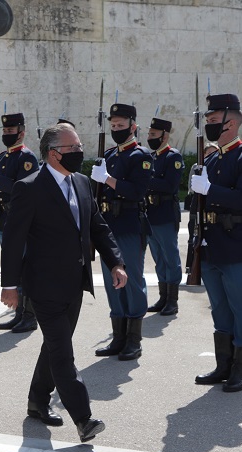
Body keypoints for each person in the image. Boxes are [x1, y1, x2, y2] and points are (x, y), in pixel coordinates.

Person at [1, 123, 126, 442]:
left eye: (79, 146)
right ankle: (83, 418)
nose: (80, 152)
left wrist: (115, 262)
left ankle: (37, 401)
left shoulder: (81, 182)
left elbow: (97, 226)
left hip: (75, 283)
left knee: (55, 344)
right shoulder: (29, 187)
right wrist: (10, 285)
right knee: (62, 351)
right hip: (43, 286)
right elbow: (13, 240)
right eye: (74, 148)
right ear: (54, 153)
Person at [189, 93, 242, 393]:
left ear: (231, 123)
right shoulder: (210, 158)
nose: (208, 125)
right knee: (219, 308)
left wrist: (210, 188)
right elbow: (197, 206)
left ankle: (241, 369)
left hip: (234, 243)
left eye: (212, 120)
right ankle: (223, 364)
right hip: (209, 244)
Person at [90, 103, 152, 361]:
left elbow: (137, 192)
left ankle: (133, 340)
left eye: (121, 125)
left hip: (128, 225)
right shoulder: (109, 155)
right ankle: (118, 337)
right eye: (113, 125)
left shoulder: (141, 156)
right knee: (111, 280)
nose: (116, 129)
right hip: (108, 226)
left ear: (133, 126)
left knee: (132, 281)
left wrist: (107, 179)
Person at [0, 112, 40, 333]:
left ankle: (30, 316)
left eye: (11, 130)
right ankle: (19, 313)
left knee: (25, 268)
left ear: (21, 133)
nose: (7, 134)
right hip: (5, 219)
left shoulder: (27, 158)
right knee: (13, 268)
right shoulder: (2, 157)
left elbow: (24, 190)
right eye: (5, 130)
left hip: (22, 221)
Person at [144, 117, 184, 317]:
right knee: (158, 258)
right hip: (150, 213)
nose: (149, 137)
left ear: (164, 136)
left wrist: (145, 180)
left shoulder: (172, 157)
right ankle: (163, 297)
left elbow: (170, 185)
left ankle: (172, 300)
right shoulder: (151, 157)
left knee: (170, 257)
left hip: (165, 213)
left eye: (153, 134)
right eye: (149, 134)